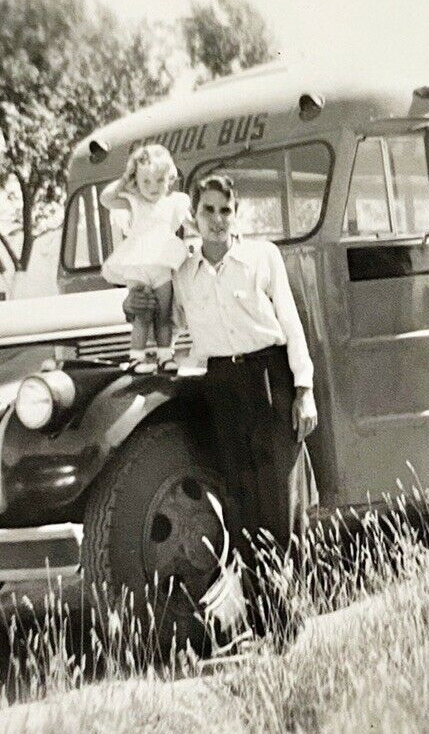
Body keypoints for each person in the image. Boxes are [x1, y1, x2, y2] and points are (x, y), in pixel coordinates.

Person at [172, 174, 318, 645]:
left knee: (281, 504)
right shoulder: (182, 274)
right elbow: (178, 334)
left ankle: (288, 624)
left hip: (269, 378)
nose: (217, 220)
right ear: (194, 215)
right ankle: (260, 621)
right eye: (208, 210)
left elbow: (291, 324)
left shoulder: (262, 257)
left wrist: (304, 388)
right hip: (222, 386)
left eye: (225, 211)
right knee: (238, 507)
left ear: (236, 215)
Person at [100, 144, 192, 373]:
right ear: (137, 180)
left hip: (162, 264)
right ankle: (136, 357)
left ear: (169, 179)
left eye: (160, 180)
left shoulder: (174, 203)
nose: (153, 187)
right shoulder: (134, 202)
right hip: (137, 265)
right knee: (142, 312)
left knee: (164, 312)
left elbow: (193, 224)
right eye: (146, 181)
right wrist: (126, 179)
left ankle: (165, 355)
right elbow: (106, 198)